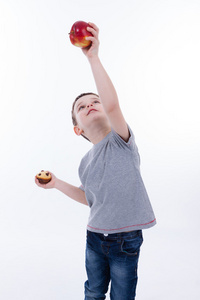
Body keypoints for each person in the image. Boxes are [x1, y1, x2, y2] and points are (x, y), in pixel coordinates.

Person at [35, 22, 156, 300]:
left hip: (126, 239)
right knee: (93, 290)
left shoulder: (121, 140)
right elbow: (90, 198)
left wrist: (93, 57)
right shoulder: (85, 161)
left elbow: (113, 105)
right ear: (77, 128)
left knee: (122, 296)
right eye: (81, 107)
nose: (90, 105)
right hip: (94, 237)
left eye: (95, 101)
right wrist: (56, 184)